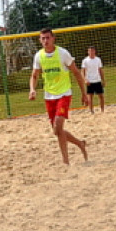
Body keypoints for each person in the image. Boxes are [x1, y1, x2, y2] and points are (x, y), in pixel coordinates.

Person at [29, 28, 88, 164]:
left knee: (58, 124)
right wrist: (32, 89)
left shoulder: (63, 53)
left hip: (64, 94)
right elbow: (34, 75)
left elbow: (76, 73)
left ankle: (65, 162)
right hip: (49, 96)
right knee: (57, 131)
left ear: (53, 38)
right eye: (43, 38)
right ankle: (80, 144)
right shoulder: (39, 56)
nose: (45, 41)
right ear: (40, 40)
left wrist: (84, 93)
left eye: (48, 38)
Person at [80, 46, 105, 114]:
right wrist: (85, 79)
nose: (91, 52)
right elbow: (82, 71)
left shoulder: (98, 59)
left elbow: (100, 70)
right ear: (88, 52)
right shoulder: (85, 60)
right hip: (89, 81)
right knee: (90, 97)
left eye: (92, 51)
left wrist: (103, 80)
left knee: (101, 96)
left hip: (97, 80)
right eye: (90, 51)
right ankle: (91, 111)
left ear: (95, 51)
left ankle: (102, 110)